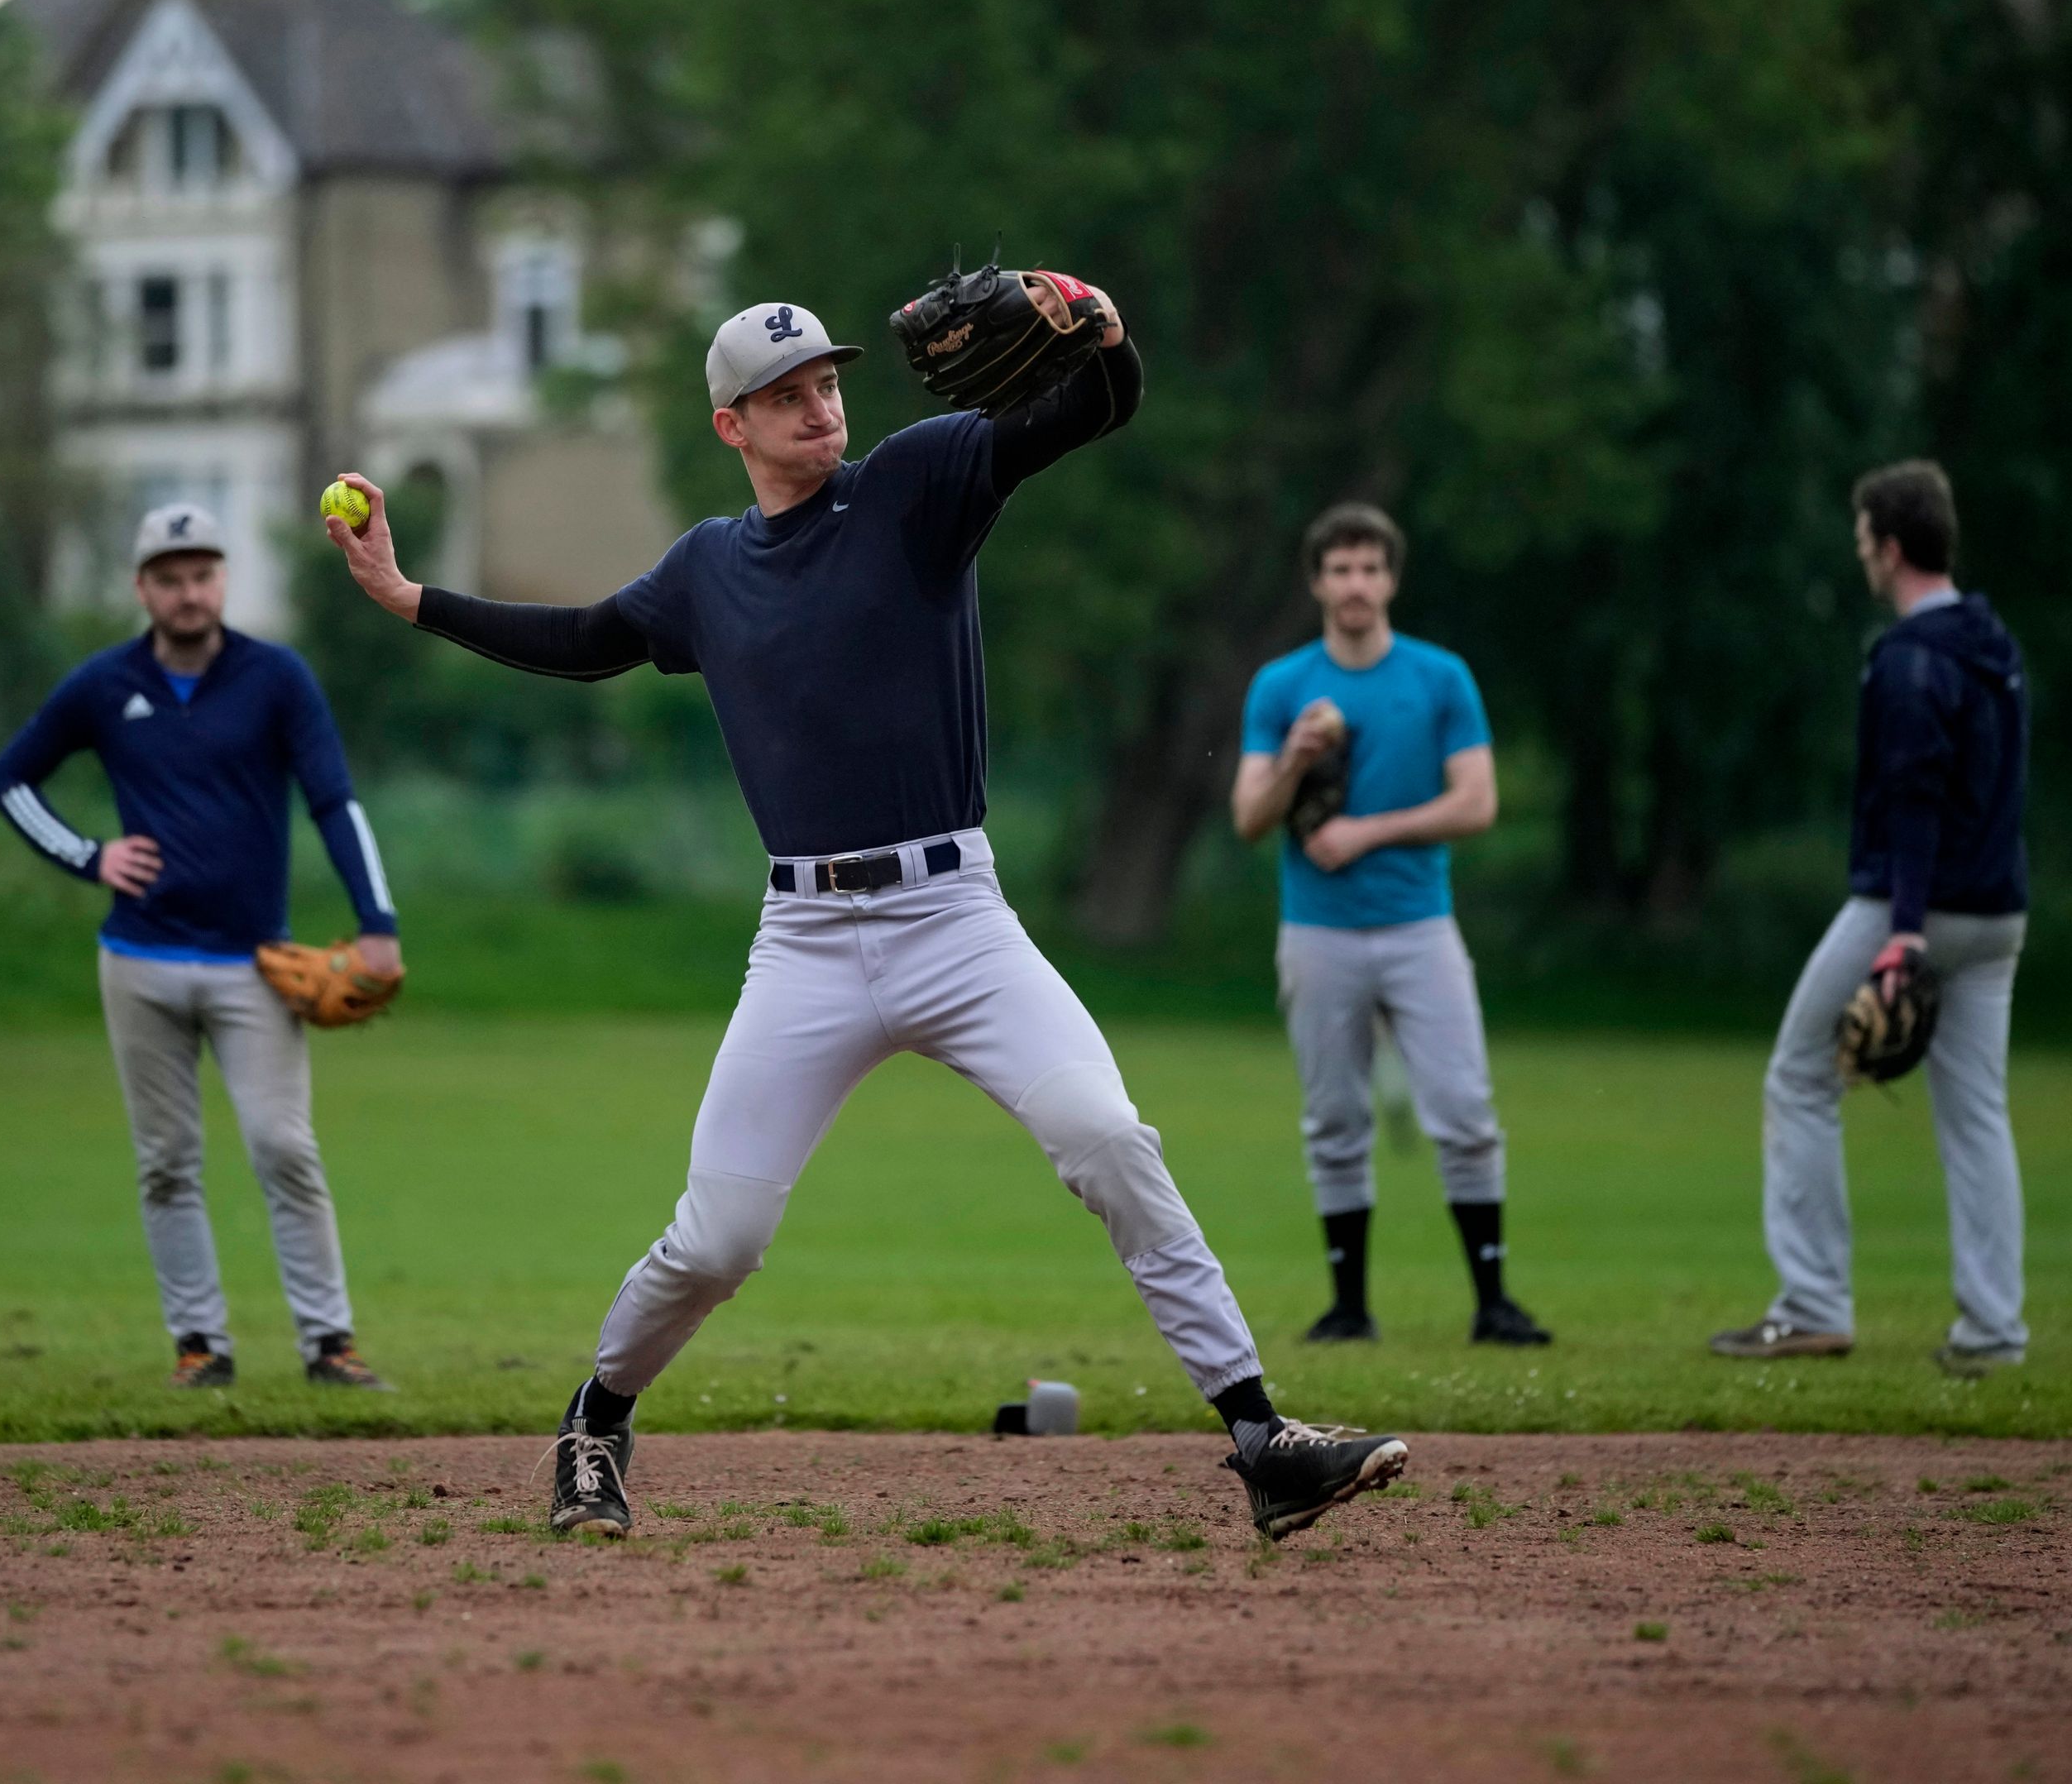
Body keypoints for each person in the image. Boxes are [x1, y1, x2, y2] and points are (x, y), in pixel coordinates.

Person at [322, 289, 1409, 1543]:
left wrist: (1104, 331)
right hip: (807, 945)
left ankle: (1260, 1435)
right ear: (732, 422)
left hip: (958, 920)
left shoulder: (915, 486)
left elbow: (1088, 412)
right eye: (787, 395)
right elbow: (582, 639)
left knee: (1108, 1139)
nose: (820, 406)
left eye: (828, 382)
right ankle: (595, 1423)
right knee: (720, 1238)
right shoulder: (708, 571)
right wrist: (410, 597)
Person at [0, 502, 402, 1392]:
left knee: (282, 1146)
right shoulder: (105, 685)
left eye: (203, 574)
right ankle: (199, 1344)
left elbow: (334, 800)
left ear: (224, 580)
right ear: (143, 588)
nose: (189, 591)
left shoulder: (277, 678)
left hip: (253, 963)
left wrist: (379, 922)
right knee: (167, 1162)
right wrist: (88, 855)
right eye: (170, 577)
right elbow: (10, 779)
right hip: (137, 960)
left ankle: (330, 1342)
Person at [1714, 461, 2031, 1376]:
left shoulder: (1910, 656)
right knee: (1977, 1116)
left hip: (1914, 908)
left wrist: (1903, 930)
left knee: (1798, 1075)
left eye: (1862, 541)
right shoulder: (1994, 641)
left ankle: (1813, 1304)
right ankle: (1992, 1332)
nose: (1862, 555)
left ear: (1889, 548)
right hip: (1998, 912)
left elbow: (1915, 797)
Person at [1231, 505, 1549, 1348]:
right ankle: (1349, 1308)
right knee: (1335, 1118)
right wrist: (1297, 757)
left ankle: (1492, 1301)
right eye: (1340, 570)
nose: (1356, 584)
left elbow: (1478, 802)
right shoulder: (1282, 686)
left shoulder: (1440, 677)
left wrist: (1368, 831)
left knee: (1466, 1109)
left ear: (1392, 580)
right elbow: (1248, 818)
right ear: (1317, 583)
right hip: (1317, 932)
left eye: (1370, 568)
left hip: (1419, 925)